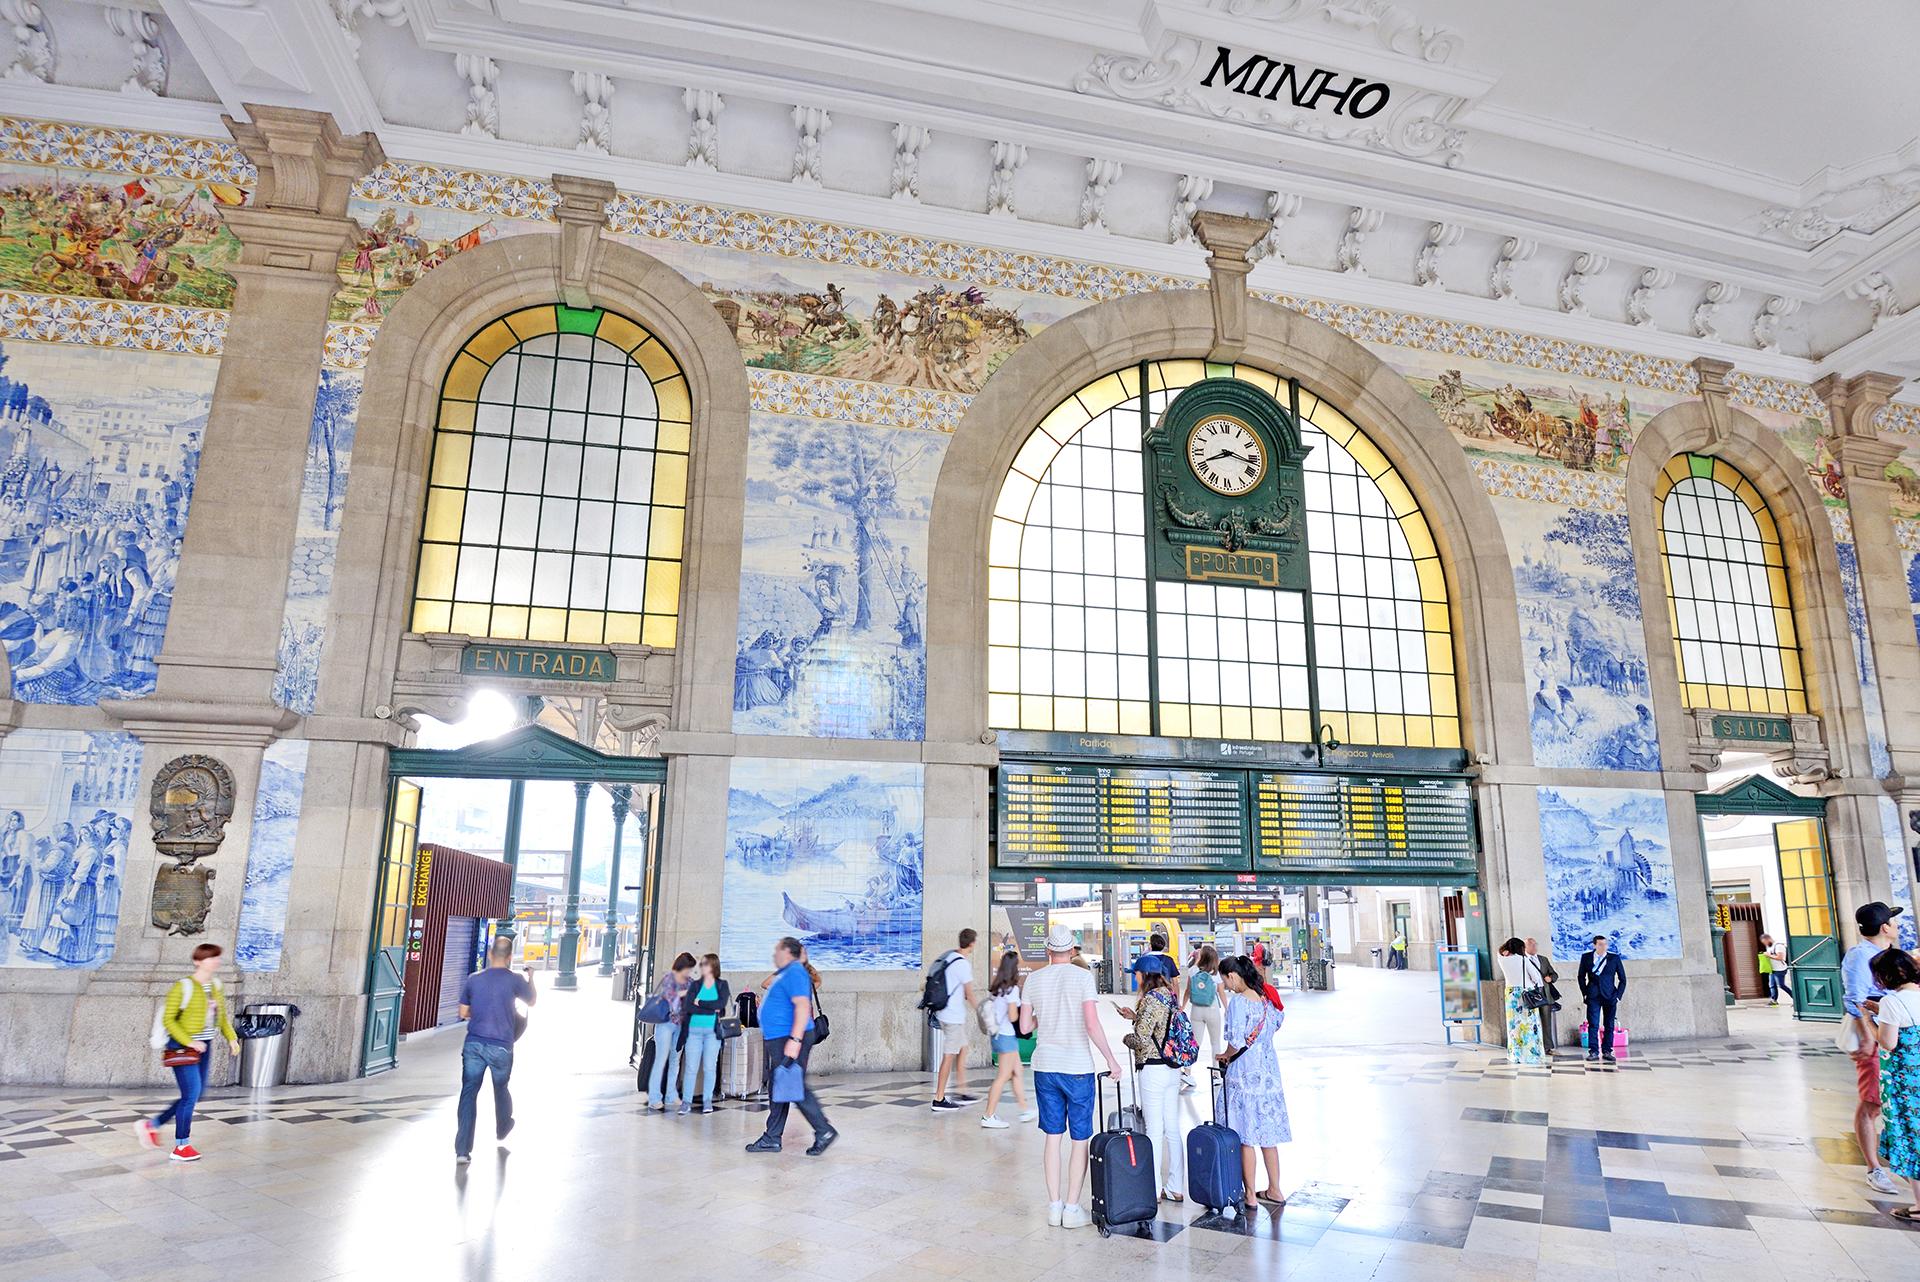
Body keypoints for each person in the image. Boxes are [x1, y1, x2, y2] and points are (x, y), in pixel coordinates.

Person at [1019, 922, 1122, 1229]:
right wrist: (1112, 1060)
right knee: (1080, 1139)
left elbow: (1025, 1028)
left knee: (1052, 1137)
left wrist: (1045, 1015)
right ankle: (1071, 1208)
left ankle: (1053, 1207)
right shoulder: (1082, 977)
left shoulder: (1034, 980)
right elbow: (1091, 1025)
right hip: (1077, 1068)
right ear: (1072, 949)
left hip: (1045, 1066)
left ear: (1049, 950)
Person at [136, 942, 239, 1163]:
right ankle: (181, 1146)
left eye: (217, 957)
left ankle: (151, 1125)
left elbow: (221, 1018)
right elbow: (168, 1019)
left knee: (195, 1094)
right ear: (198, 961)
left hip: (204, 1045)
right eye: (211, 958)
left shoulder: (216, 986)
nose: (215, 961)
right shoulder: (184, 986)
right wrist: (189, 1041)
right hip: (183, 1046)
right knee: (191, 1094)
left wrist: (231, 1037)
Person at [448, 935, 535, 1164]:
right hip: (501, 1046)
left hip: (474, 1043)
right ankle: (503, 1126)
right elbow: (532, 1001)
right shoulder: (515, 979)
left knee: (469, 1093)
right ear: (509, 957)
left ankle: (462, 1151)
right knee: (501, 1087)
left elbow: (463, 1012)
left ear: (489, 954)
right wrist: (530, 978)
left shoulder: (473, 979)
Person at [746, 936, 836, 1156]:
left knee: (793, 1086)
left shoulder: (795, 971)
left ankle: (823, 1130)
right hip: (781, 1037)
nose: (774, 954)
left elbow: (803, 1006)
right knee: (781, 1087)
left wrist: (795, 1040)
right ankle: (772, 1137)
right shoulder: (788, 972)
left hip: (788, 1038)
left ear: (788, 952)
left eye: (778, 950)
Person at [1217, 956, 1290, 1208]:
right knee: (1268, 1135)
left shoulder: (1239, 1003)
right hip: (1269, 1073)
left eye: (1226, 980)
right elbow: (1278, 1024)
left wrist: (1225, 1055)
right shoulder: (1267, 999)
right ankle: (1275, 1189)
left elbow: (1235, 1040)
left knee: (1245, 1135)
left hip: (1245, 1075)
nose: (1226, 986)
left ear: (1233, 976)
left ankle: (1249, 1195)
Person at [1845, 902, 1905, 1196]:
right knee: (1873, 1101)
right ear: (1884, 927)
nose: (1897, 925)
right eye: (1893, 921)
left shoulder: (1889, 955)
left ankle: (1902, 1161)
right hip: (1876, 1033)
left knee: (1899, 1098)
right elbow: (1855, 998)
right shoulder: (1860, 956)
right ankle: (1874, 1168)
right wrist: (1866, 1035)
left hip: (1897, 1032)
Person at [1119, 971, 1187, 1203]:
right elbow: (1160, 1027)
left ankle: (1154, 1187)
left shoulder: (1150, 999)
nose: (1135, 978)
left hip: (1153, 1070)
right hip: (1173, 1068)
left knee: (1154, 1129)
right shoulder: (1170, 997)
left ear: (1145, 976)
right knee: (1172, 1128)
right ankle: (1176, 1187)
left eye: (1137, 973)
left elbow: (1141, 1040)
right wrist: (1135, 1017)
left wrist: (1127, 1038)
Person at [1869, 947, 1920, 1222]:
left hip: (1904, 1083)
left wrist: (1870, 1021)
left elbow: (1889, 1042)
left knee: (1911, 1139)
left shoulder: (1892, 1002)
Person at [980, 950, 1036, 1129]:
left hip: (999, 1036)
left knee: (1017, 1071)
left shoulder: (998, 988)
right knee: (1003, 1076)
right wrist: (1030, 1019)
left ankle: (1024, 1109)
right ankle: (988, 1116)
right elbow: (1013, 1017)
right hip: (1006, 1036)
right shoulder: (1012, 989)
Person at [677, 952, 730, 1115]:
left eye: (705, 964)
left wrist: (699, 1003)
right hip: (693, 1031)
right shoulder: (695, 985)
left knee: (709, 1067)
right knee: (691, 1067)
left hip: (712, 1033)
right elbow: (688, 1007)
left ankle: (708, 1100)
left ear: (713, 966)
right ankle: (686, 1101)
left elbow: (721, 1004)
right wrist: (710, 1009)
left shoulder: (722, 985)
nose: (702, 967)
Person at [643, 951, 697, 1112]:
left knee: (675, 1060)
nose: (689, 972)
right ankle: (654, 1097)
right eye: (688, 969)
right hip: (666, 1023)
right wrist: (685, 993)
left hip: (681, 1025)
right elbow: (670, 997)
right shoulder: (669, 978)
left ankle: (671, 1094)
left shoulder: (690, 981)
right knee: (660, 1060)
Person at [931, 927, 978, 1110]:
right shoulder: (963, 964)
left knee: (963, 1049)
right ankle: (939, 1099)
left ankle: (962, 1090)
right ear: (972, 943)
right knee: (949, 1056)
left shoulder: (950, 956)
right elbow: (969, 994)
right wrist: (982, 1011)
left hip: (946, 1013)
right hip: (953, 1017)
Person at [1496, 937, 1547, 1066]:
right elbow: (1536, 977)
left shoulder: (1501, 959)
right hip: (1525, 995)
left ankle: (1515, 1055)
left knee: (1514, 1026)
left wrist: (1505, 950)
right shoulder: (1523, 959)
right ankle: (1530, 1055)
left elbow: (1500, 950)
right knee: (1529, 1025)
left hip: (1511, 995)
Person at [1577, 934, 1627, 1063]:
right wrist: (1585, 992)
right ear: (1594, 945)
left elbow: (1623, 979)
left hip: (1610, 996)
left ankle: (1607, 1051)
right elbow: (1581, 976)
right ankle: (1593, 1051)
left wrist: (1618, 997)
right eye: (1600, 944)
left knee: (1609, 1025)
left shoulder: (1613, 958)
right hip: (1593, 996)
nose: (1603, 947)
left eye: (1605, 944)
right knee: (1593, 1024)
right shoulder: (1586, 957)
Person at [1187, 944, 1225, 1065]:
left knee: (1194, 1043)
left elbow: (1188, 991)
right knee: (1215, 1043)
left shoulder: (1193, 971)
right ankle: (1216, 1073)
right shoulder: (1216, 973)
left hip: (1196, 1010)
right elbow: (1221, 992)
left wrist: (1181, 1006)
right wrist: (1227, 1008)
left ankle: (1187, 1072)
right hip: (1212, 1009)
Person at [1764, 935, 1793, 1007]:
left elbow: (1780, 957)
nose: (1765, 943)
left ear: (1769, 939)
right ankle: (1774, 1000)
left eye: (1765, 941)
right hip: (1772, 969)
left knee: (1781, 985)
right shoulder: (1770, 947)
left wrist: (1768, 955)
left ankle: (1795, 998)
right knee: (1772, 985)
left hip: (1780, 969)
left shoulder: (1778, 946)